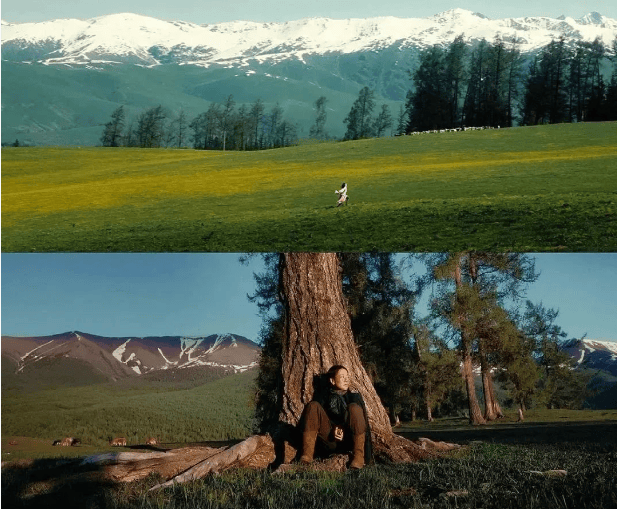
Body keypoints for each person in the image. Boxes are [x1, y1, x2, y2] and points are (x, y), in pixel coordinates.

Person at [298, 365, 372, 469]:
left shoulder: (354, 397)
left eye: (347, 376)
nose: (346, 379)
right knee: (313, 406)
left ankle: (358, 457)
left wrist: (368, 457)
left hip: (348, 441)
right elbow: (316, 420)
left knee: (354, 408)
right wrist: (334, 429)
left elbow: (363, 426)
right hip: (329, 440)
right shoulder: (322, 396)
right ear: (332, 381)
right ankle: (307, 456)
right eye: (342, 376)